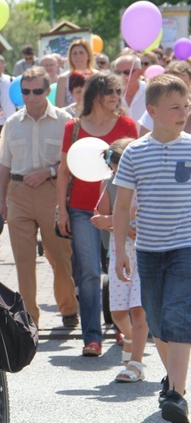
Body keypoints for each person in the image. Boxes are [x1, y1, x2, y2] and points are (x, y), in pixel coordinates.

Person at [113, 74, 191, 423]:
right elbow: (121, 206)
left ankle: (175, 393)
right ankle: (172, 382)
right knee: (158, 322)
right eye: (175, 107)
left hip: (185, 247)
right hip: (148, 250)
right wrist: (119, 251)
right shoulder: (134, 151)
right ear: (153, 111)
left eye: (186, 106)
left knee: (177, 316)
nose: (183, 112)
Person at [57, 72, 138, 357]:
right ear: (95, 95)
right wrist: (61, 210)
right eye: (110, 92)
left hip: (121, 209)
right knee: (90, 272)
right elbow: (64, 171)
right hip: (81, 210)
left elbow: (136, 172)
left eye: (118, 91)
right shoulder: (73, 127)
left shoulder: (127, 125)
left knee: (122, 270)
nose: (116, 97)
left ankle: (123, 325)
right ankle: (92, 337)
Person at [0, 66, 78, 329]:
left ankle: (68, 309)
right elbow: (4, 166)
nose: (31, 96)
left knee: (59, 256)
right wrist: (2, 199)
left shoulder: (64, 120)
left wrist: (49, 172)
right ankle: (29, 319)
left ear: (47, 90)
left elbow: (72, 163)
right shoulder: (12, 123)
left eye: (37, 91)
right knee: (23, 261)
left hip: (52, 192)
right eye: (25, 91)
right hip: (19, 194)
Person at [90, 137, 148, 382]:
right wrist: (112, 222)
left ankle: (136, 363)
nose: (117, 174)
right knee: (118, 313)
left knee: (138, 310)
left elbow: (137, 213)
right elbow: (99, 216)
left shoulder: (147, 184)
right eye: (113, 169)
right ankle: (132, 339)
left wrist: (113, 221)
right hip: (119, 252)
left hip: (145, 252)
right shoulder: (110, 184)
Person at [138, 61, 191, 135]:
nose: (178, 88)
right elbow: (143, 138)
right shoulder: (157, 109)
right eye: (173, 85)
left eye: (182, 82)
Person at [56, 39, 96, 108]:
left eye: (81, 53)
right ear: (70, 57)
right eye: (74, 53)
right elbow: (59, 108)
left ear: (88, 55)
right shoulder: (63, 79)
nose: (78, 56)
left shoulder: (97, 76)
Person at [115, 54, 147, 122]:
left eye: (127, 72)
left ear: (139, 72)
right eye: (118, 73)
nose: (122, 76)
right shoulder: (109, 94)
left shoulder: (150, 91)